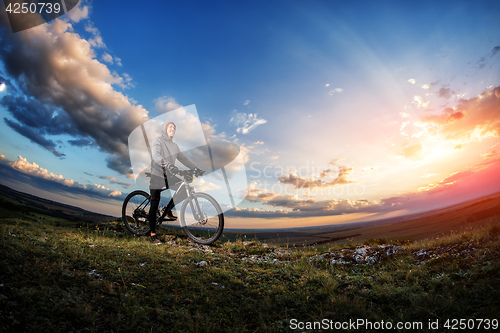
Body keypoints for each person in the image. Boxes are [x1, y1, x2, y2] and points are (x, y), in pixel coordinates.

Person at [149, 121, 203, 244]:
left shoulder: (175, 146)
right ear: (164, 129)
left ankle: (168, 209)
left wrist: (196, 168)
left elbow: (183, 158)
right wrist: (168, 164)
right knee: (154, 202)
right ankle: (153, 235)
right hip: (157, 174)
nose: (173, 129)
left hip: (169, 175)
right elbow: (156, 156)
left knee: (184, 189)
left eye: (174, 128)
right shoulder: (157, 141)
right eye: (170, 127)